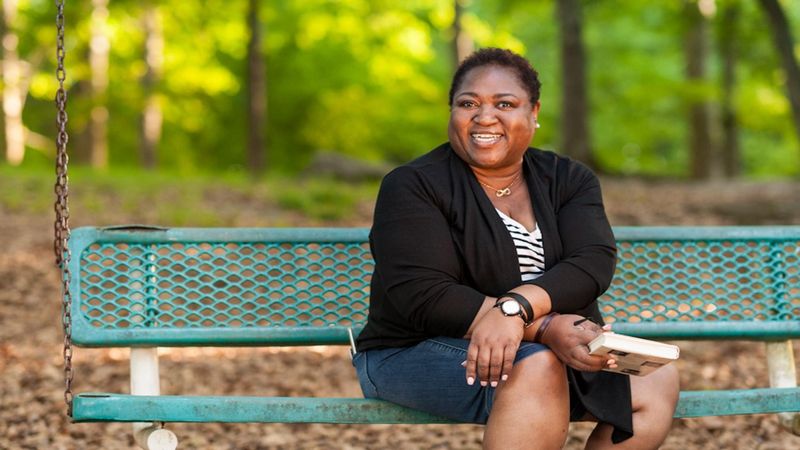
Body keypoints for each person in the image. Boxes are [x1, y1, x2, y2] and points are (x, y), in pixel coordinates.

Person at [353, 48, 679, 449]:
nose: (484, 117)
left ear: (534, 112)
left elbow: (591, 262)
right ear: (451, 111)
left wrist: (518, 308)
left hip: (544, 348)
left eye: (504, 103)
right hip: (412, 352)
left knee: (656, 378)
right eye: (468, 103)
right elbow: (424, 295)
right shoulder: (413, 185)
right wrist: (542, 327)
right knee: (535, 366)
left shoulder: (567, 179)